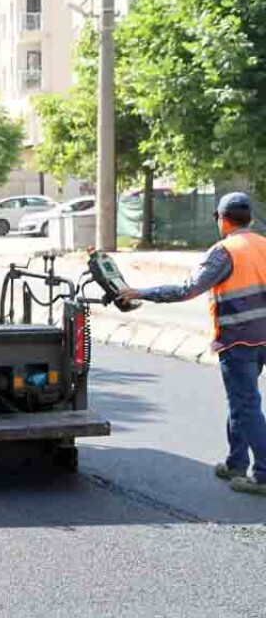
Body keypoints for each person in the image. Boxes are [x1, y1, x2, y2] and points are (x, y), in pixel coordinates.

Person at [118, 192, 266, 496]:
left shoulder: (225, 251)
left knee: (246, 405)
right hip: (262, 339)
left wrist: (142, 292)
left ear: (221, 220)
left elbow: (188, 290)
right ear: (249, 218)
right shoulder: (263, 244)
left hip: (238, 340)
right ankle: (236, 462)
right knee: (241, 400)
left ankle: (263, 472)